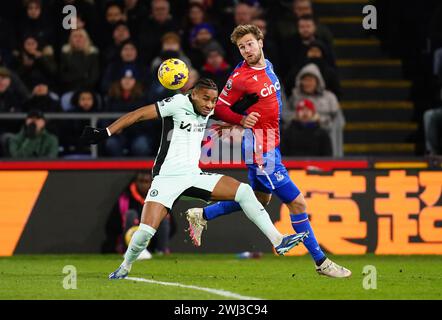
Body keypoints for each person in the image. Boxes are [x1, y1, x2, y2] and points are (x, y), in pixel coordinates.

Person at [80, 78, 307, 279]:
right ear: (193, 94)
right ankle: (125, 266)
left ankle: (278, 240)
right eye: (206, 99)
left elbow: (224, 112)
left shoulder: (207, 108)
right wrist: (105, 132)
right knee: (145, 233)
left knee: (245, 191)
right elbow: (138, 114)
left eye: (213, 100)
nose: (210, 105)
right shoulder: (178, 103)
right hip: (166, 178)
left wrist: (239, 110)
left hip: (193, 175)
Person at [185, 25, 351, 278]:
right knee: (297, 203)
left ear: (260, 41)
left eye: (250, 44)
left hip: (271, 141)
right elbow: (219, 108)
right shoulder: (239, 77)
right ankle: (321, 262)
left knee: (259, 200)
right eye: (241, 47)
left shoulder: (268, 65)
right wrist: (240, 120)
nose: (246, 50)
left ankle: (202, 213)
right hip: (260, 147)